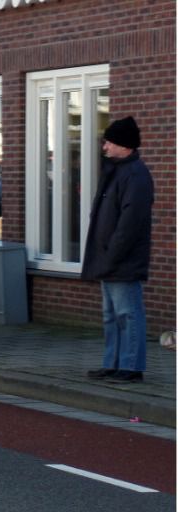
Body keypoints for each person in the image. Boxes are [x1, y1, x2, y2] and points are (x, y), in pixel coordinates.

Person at [82, 116, 154, 384]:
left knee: (127, 313)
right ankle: (112, 363)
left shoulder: (135, 175)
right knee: (111, 315)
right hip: (108, 257)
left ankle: (131, 366)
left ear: (124, 145)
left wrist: (112, 253)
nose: (105, 148)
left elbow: (130, 222)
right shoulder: (117, 171)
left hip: (121, 259)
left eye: (109, 142)